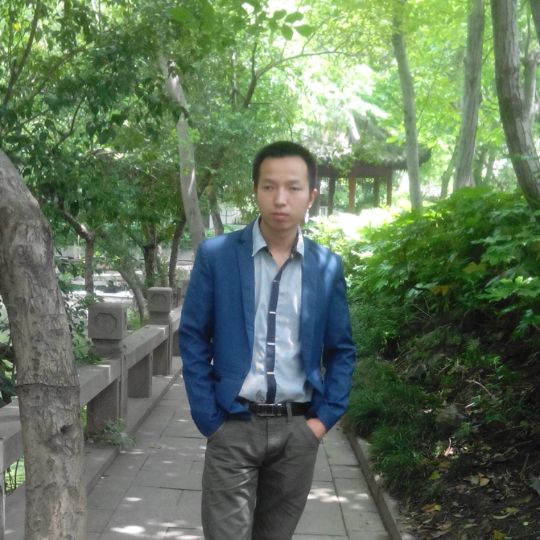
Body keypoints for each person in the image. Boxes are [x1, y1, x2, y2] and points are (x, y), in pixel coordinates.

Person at [179, 140, 356, 540]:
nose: (280, 199)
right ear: (255, 190)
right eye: (269, 186)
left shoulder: (327, 266)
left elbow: (341, 349)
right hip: (233, 425)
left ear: (311, 196)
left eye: (293, 187)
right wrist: (209, 419)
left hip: (298, 430)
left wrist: (323, 420)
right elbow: (193, 336)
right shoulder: (217, 256)